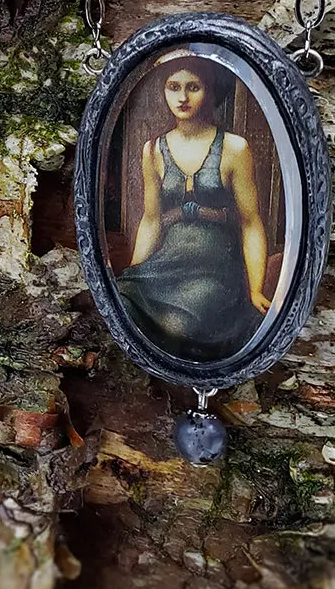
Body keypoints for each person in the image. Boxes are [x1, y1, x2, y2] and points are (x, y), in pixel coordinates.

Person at [116, 55, 271, 362]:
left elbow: (251, 222)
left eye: (193, 87)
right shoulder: (153, 150)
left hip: (214, 270)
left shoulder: (234, 148)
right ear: (163, 91)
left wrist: (255, 289)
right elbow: (150, 221)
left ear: (209, 91)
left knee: (176, 325)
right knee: (121, 304)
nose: (182, 97)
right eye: (173, 87)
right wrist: (133, 274)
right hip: (167, 263)